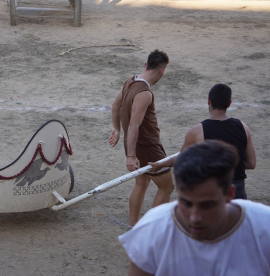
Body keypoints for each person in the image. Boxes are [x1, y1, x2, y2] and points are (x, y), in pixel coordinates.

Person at [119, 141, 270, 276]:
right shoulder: (153, 229)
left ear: (230, 194)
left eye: (207, 205)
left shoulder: (264, 227)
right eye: (186, 203)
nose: (195, 217)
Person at [149, 83, 256, 199]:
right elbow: (251, 163)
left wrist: (160, 165)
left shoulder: (196, 132)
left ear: (209, 101)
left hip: (211, 192)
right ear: (229, 104)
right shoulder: (243, 127)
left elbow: (182, 160)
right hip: (237, 192)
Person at [108, 49, 175, 226]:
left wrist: (116, 129)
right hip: (148, 147)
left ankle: (134, 225)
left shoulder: (130, 81)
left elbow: (116, 105)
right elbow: (134, 125)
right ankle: (150, 229)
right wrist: (131, 155)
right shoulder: (145, 93)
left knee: (142, 182)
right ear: (162, 71)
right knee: (167, 186)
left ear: (146, 65)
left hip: (135, 145)